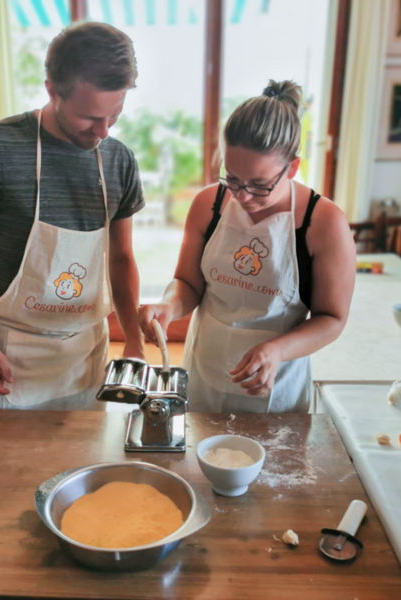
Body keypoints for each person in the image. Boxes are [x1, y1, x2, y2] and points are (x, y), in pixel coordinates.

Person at [0, 22, 145, 410]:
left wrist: (134, 339)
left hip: (85, 356)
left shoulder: (120, 160)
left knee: (84, 448)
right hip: (8, 356)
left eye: (114, 115)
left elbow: (121, 257)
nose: (102, 132)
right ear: (52, 90)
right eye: (88, 117)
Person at [138, 80, 355, 413]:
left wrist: (276, 351)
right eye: (233, 179)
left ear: (292, 168)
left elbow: (332, 319)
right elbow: (188, 283)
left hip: (277, 386)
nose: (243, 196)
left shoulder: (324, 222)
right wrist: (169, 306)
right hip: (205, 369)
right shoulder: (208, 204)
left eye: (259, 185)